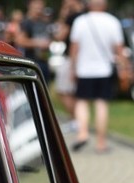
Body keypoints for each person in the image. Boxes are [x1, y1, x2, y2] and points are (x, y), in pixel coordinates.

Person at [69, 0, 123, 153]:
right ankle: (101, 143)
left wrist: (73, 68)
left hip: (84, 70)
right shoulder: (112, 22)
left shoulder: (80, 21)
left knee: (82, 103)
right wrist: (124, 67)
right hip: (104, 70)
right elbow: (119, 49)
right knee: (101, 104)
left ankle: (82, 133)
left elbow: (74, 48)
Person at [53, 0, 85, 132]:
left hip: (71, 58)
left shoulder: (71, 17)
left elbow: (59, 36)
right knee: (75, 92)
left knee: (62, 90)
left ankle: (77, 120)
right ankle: (78, 121)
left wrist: (63, 14)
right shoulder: (87, 15)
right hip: (85, 59)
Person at [16, 0, 54, 81]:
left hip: (44, 63)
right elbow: (20, 41)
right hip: (32, 64)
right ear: (30, 5)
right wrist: (38, 43)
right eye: (37, 3)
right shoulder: (26, 22)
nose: (39, 6)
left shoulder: (44, 22)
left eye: (41, 3)